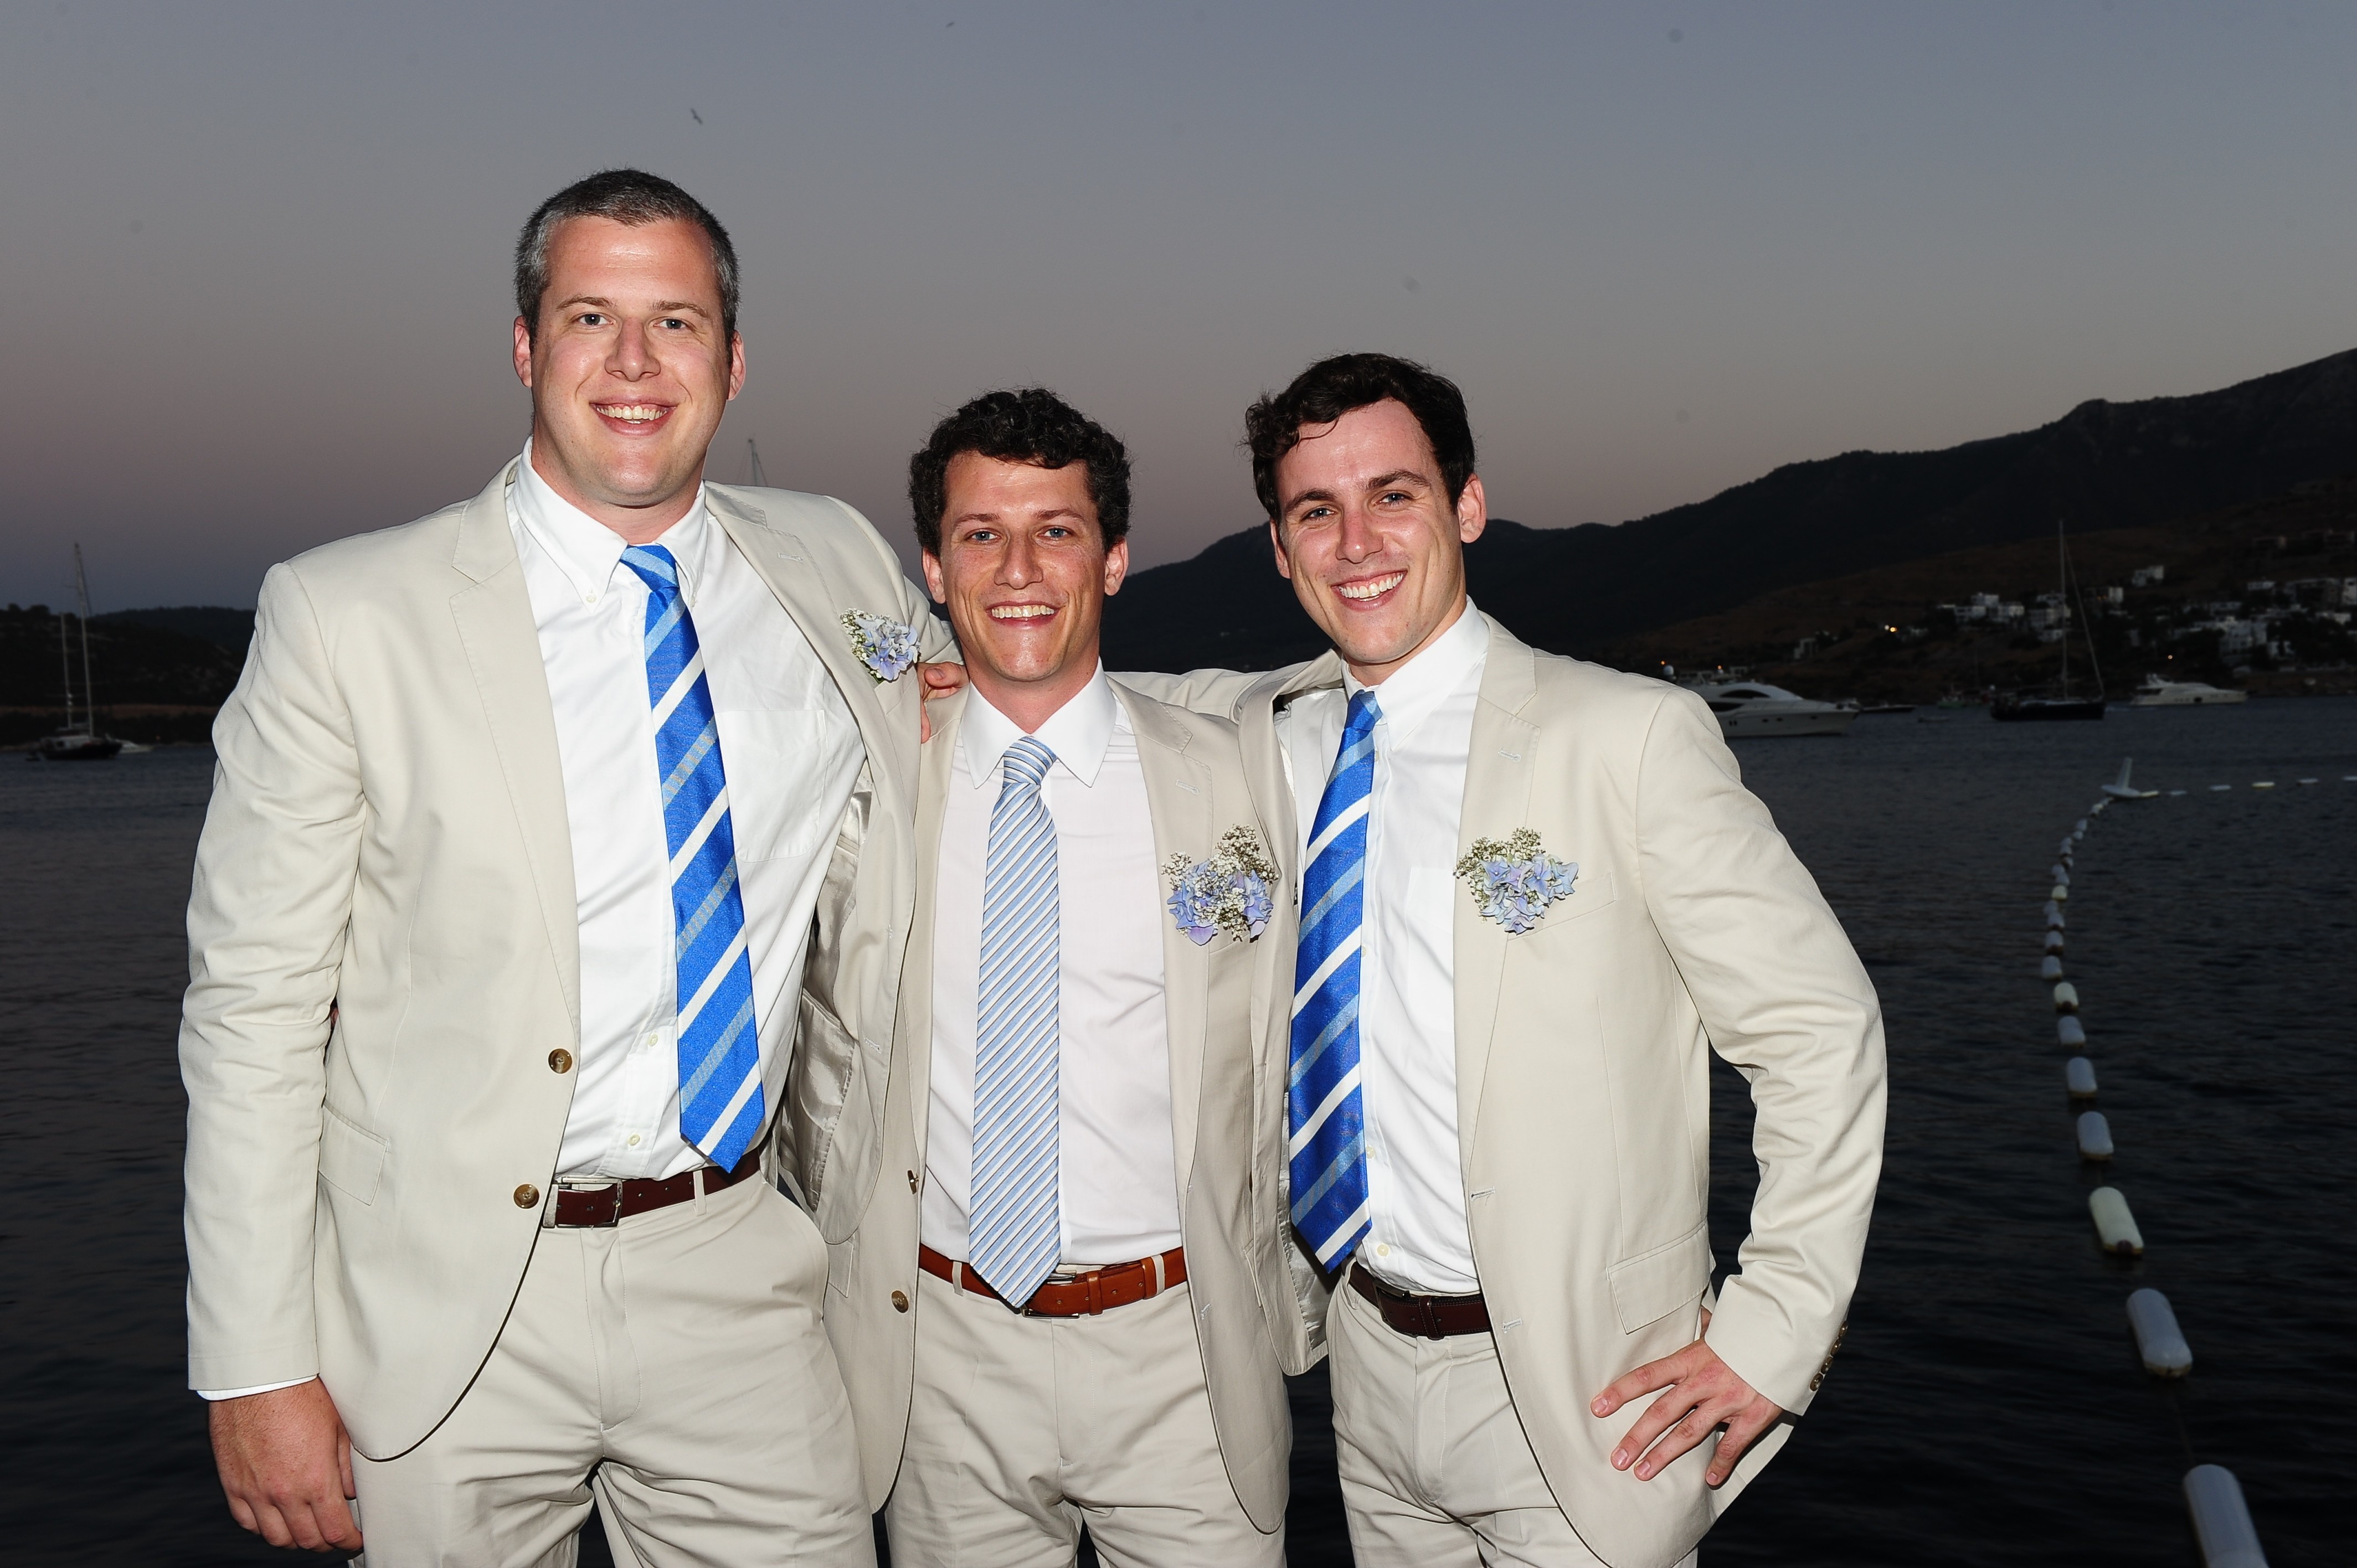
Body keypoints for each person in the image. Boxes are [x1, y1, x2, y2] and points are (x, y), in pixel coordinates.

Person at [179, 168, 950, 1565]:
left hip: (736, 1269)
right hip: (447, 1302)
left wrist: (1319, 701)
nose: (636, 364)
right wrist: (252, 1362)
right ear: (527, 348)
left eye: (677, 323)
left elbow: (1003, 714)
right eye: (592, 317)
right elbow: (253, 1012)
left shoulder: (835, 565)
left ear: (733, 357)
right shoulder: (349, 614)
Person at [1112, 353, 1888, 1567]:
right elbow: (1128, 698)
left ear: (1466, 507)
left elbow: (1817, 1035)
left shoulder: (1623, 738)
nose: (1356, 540)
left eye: (1394, 496)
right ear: (1278, 546)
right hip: (1366, 1376)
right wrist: (959, 681)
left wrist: (1771, 1336)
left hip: (1588, 1393)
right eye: (1316, 510)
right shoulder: (1279, 731)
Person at [818, 389, 1311, 1566]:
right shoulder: (858, 787)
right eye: (982, 534)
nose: (1020, 567)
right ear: (933, 570)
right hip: (937, 1359)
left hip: (1181, 1354)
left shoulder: (1244, 776)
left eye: (1058, 529)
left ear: (1116, 556)